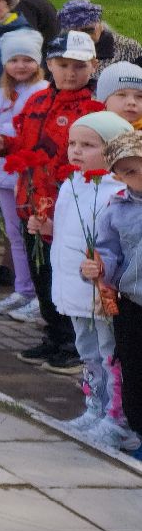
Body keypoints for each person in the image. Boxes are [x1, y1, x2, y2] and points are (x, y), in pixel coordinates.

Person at [5, 31, 102, 374]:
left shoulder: (95, 107)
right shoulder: (37, 101)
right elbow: (22, 145)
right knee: (41, 272)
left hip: (69, 205)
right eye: (63, 65)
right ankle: (53, 333)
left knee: (66, 272)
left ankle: (73, 344)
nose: (71, 73)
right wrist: (2, 145)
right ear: (49, 65)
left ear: (93, 65)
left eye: (79, 66)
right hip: (31, 201)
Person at [45, 111, 137, 450]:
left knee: (111, 354)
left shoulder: (117, 191)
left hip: (102, 291)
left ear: (115, 151)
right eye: (72, 143)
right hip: (74, 287)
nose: (76, 151)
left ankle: (118, 419)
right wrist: (47, 230)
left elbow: (119, 243)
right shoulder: (73, 182)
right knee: (89, 353)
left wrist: (105, 272)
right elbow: (69, 231)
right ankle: (94, 407)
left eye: (88, 145)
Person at [0, 28, 48, 322]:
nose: (20, 65)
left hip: (27, 174)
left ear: (38, 62)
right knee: (14, 237)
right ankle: (23, 289)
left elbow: (28, 132)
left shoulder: (40, 92)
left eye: (27, 59)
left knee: (29, 236)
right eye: (14, 59)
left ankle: (39, 295)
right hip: (2, 172)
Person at [91, 131, 142, 453]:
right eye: (130, 171)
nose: (140, 176)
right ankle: (138, 431)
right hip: (133, 303)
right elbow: (108, 251)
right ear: (118, 176)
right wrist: (99, 268)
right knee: (135, 370)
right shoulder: (116, 209)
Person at [59, 0, 142, 76]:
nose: (82, 36)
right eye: (73, 32)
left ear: (101, 26)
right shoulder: (58, 50)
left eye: (88, 30)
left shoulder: (129, 48)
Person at [98, 61, 142, 125]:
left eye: (140, 96)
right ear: (104, 102)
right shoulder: (87, 131)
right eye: (121, 94)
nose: (132, 102)